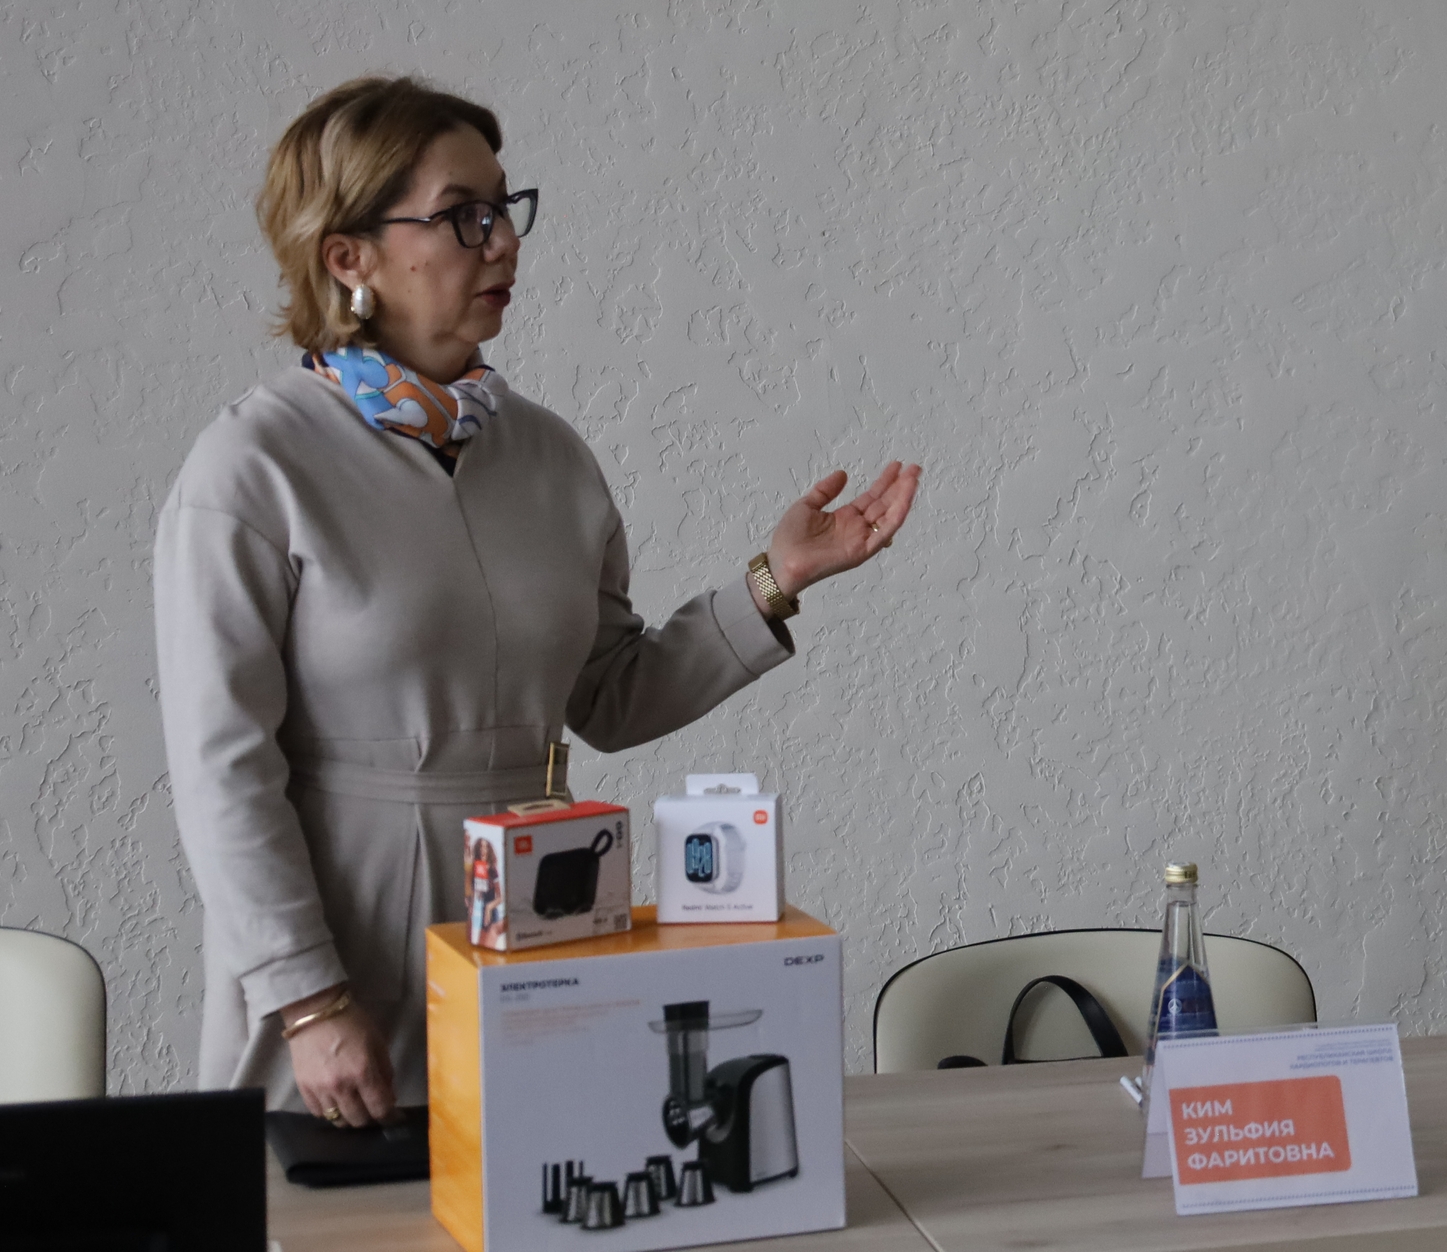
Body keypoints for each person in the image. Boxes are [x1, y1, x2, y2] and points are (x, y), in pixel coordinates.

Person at [156, 77, 925, 1129]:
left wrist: (773, 580)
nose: (504, 242)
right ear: (348, 256)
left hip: (538, 949)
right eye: (463, 216)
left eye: (505, 208)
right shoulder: (253, 468)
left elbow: (607, 694)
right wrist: (306, 997)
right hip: (339, 975)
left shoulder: (550, 455)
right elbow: (222, 770)